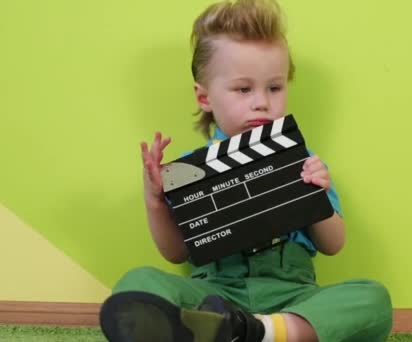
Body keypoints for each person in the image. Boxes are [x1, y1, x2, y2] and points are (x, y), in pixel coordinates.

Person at [99, 0, 392, 341]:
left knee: (373, 298)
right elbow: (176, 252)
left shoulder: (304, 160)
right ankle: (236, 331)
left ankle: (261, 332)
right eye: (243, 89)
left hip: (293, 296)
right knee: (138, 283)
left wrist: (318, 193)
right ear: (205, 97)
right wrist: (155, 200)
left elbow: (333, 244)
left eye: (274, 87)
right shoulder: (188, 170)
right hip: (215, 295)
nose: (261, 102)